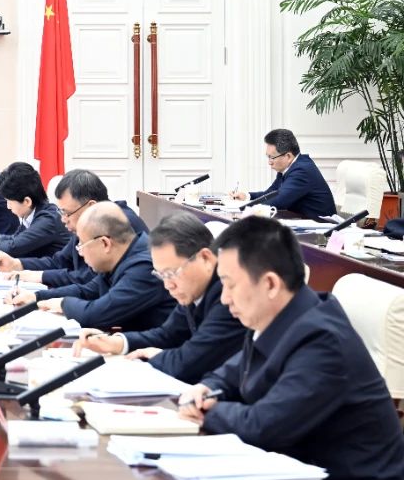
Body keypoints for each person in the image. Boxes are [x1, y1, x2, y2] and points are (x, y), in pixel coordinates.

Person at [179, 216, 404, 480]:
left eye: (230, 285)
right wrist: (208, 387)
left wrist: (208, 411)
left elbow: (265, 426)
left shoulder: (323, 341)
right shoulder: (275, 316)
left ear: (270, 284)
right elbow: (235, 372)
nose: (225, 298)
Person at [74, 211, 247, 382]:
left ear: (205, 258)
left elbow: (189, 363)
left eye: (171, 273)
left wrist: (157, 356)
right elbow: (168, 334)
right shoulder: (193, 288)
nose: (167, 285)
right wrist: (116, 342)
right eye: (161, 275)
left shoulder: (229, 295)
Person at [18, 202, 175, 332]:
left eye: (81, 245)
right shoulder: (124, 255)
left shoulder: (144, 266)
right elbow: (87, 291)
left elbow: (98, 314)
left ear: (105, 243)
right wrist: (37, 297)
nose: (80, 252)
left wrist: (63, 304)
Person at [0, 169, 147, 287]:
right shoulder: (88, 221)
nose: (63, 220)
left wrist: (37, 278)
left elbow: (88, 279)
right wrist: (17, 264)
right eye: (61, 212)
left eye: (67, 213)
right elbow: (59, 262)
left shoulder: (119, 223)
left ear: (90, 206)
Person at [0, 161, 69, 258]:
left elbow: (13, 247)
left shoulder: (48, 220)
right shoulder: (34, 213)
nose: (8, 207)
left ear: (27, 201)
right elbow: (15, 238)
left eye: (9, 201)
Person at [229, 128, 335, 218]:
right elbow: (270, 194)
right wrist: (247, 196)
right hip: (303, 222)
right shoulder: (290, 167)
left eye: (272, 157)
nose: (269, 162)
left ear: (288, 156)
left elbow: (279, 201)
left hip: (321, 229)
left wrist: (246, 209)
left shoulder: (302, 170)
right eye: (268, 157)